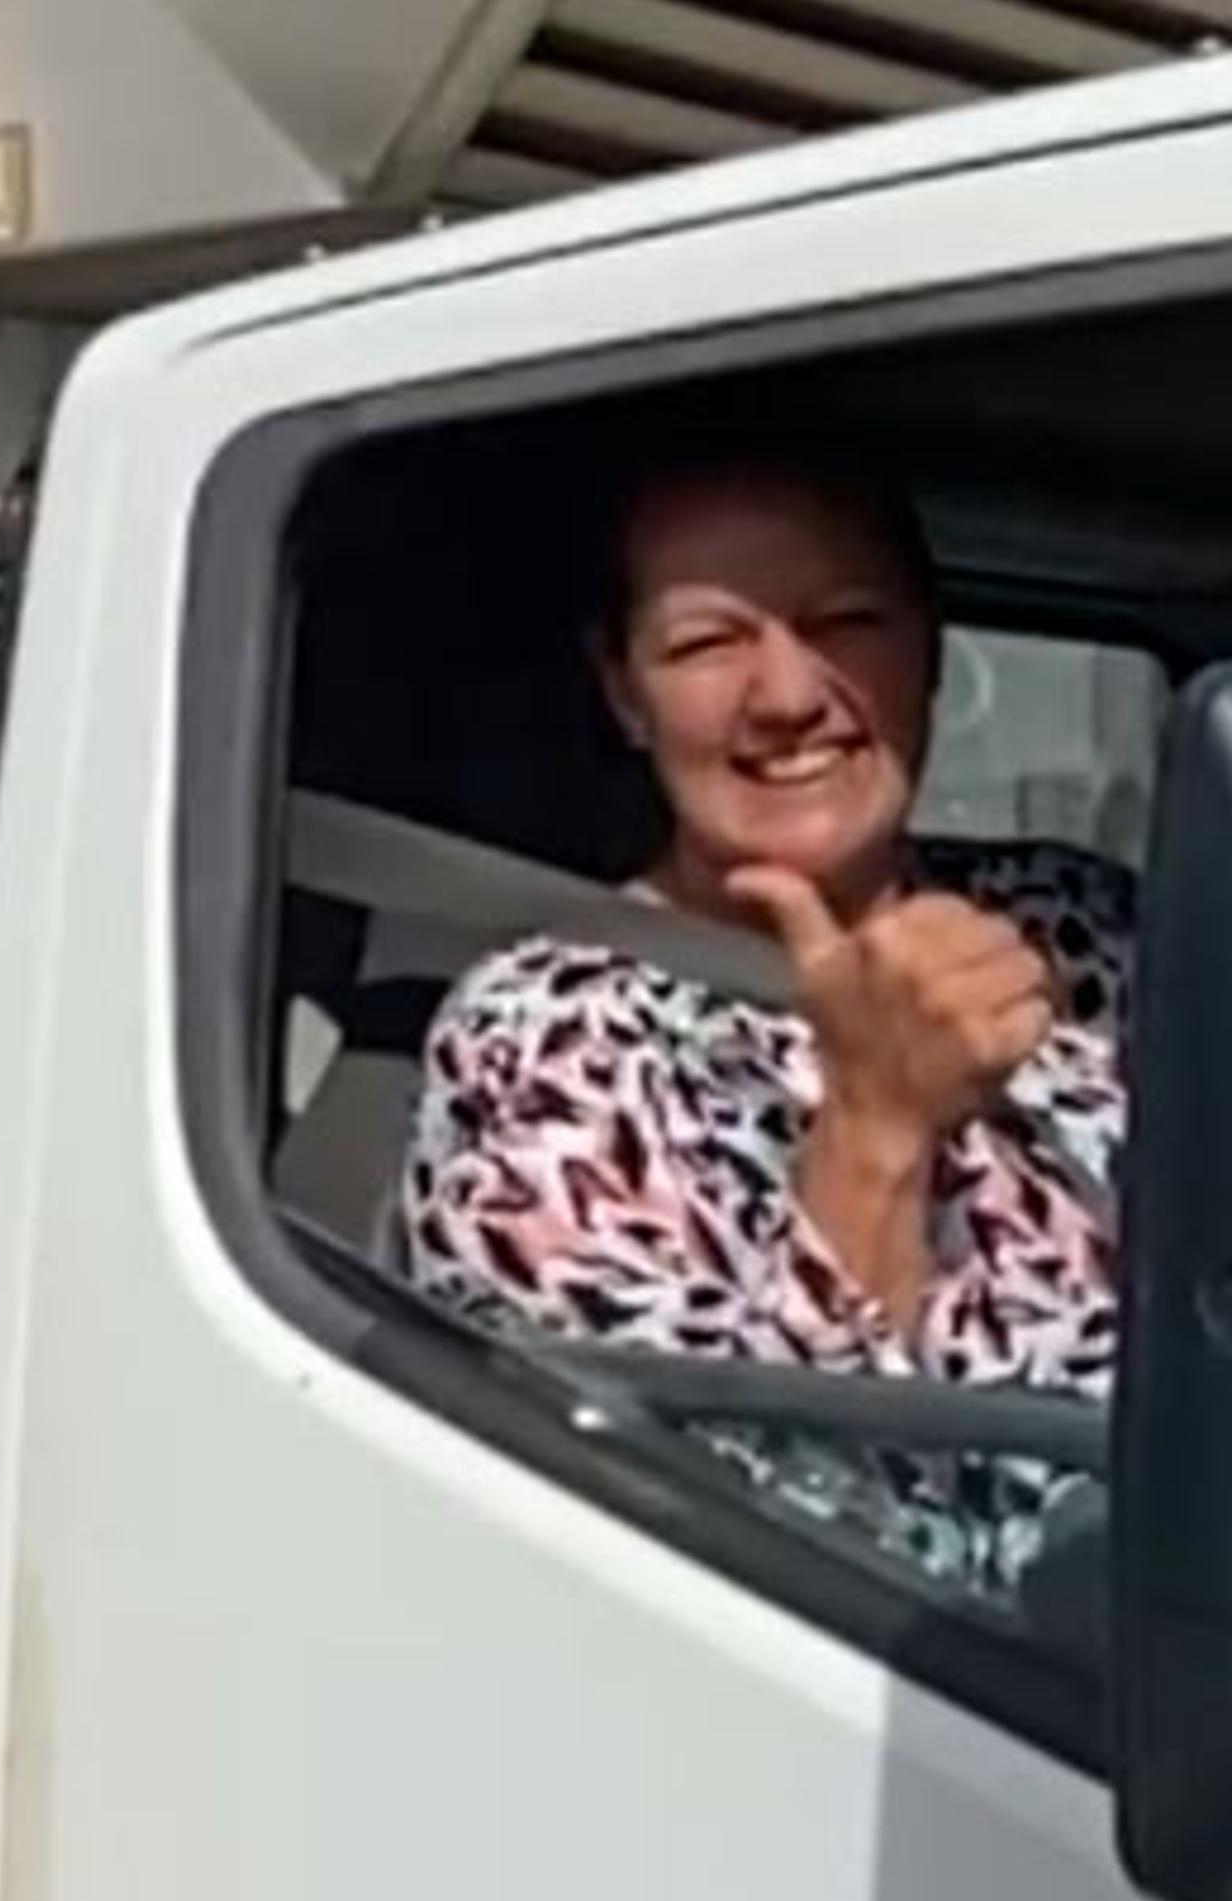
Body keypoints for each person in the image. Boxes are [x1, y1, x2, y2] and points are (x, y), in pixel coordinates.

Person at [394, 449, 1133, 1592]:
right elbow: (711, 1562)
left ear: (930, 652)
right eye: (706, 643)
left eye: (846, 620)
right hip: (957, 1721)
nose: (789, 694)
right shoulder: (550, 1039)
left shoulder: (1078, 923)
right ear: (624, 692)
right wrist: (875, 1125)